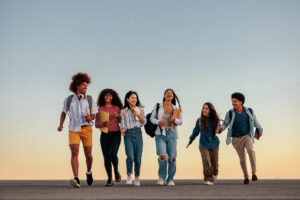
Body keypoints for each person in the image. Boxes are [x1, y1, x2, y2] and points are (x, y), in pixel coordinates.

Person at [57, 72, 98, 188]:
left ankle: (89, 172)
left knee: (88, 154)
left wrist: (90, 118)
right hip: (73, 129)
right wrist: (61, 124)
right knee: (74, 151)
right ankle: (76, 178)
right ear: (77, 86)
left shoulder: (90, 99)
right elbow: (64, 112)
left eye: (86, 85)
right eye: (83, 85)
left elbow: (94, 114)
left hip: (87, 129)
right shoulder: (69, 100)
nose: (85, 87)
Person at [216, 92, 263, 184]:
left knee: (250, 150)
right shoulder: (230, 113)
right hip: (236, 139)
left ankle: (254, 173)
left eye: (235, 101)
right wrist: (220, 129)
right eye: (232, 101)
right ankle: (246, 177)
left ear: (241, 102)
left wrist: (260, 129)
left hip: (247, 136)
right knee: (242, 158)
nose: (233, 103)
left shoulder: (249, 111)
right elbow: (225, 124)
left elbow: (256, 122)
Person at [150, 89, 182, 186]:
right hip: (160, 134)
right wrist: (158, 122)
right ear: (164, 95)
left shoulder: (176, 108)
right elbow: (152, 118)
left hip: (172, 134)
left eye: (171, 93)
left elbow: (180, 121)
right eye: (167, 93)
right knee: (162, 156)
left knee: (172, 158)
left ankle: (170, 179)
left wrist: (174, 119)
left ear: (173, 96)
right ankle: (161, 177)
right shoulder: (158, 106)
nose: (169, 94)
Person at [186, 102, 220, 185]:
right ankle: (208, 178)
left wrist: (219, 130)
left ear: (210, 111)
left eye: (206, 109)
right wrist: (190, 141)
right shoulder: (200, 120)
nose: (204, 110)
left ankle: (215, 172)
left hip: (214, 143)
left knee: (214, 163)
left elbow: (219, 130)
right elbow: (195, 132)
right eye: (203, 108)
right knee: (206, 161)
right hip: (203, 144)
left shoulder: (216, 120)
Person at [95, 89, 123, 186]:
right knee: (106, 157)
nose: (108, 97)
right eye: (106, 95)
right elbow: (96, 124)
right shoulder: (100, 109)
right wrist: (103, 123)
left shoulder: (117, 108)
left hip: (116, 134)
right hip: (104, 135)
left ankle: (116, 171)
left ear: (113, 97)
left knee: (112, 153)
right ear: (103, 97)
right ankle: (109, 179)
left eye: (110, 96)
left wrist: (118, 116)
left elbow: (122, 122)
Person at [120, 91, 146, 187]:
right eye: (132, 97)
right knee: (130, 156)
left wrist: (138, 115)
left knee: (138, 158)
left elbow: (144, 122)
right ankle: (129, 176)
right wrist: (122, 129)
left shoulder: (140, 109)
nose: (134, 99)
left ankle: (137, 177)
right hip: (128, 134)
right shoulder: (124, 111)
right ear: (127, 99)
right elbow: (123, 123)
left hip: (138, 133)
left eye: (135, 97)